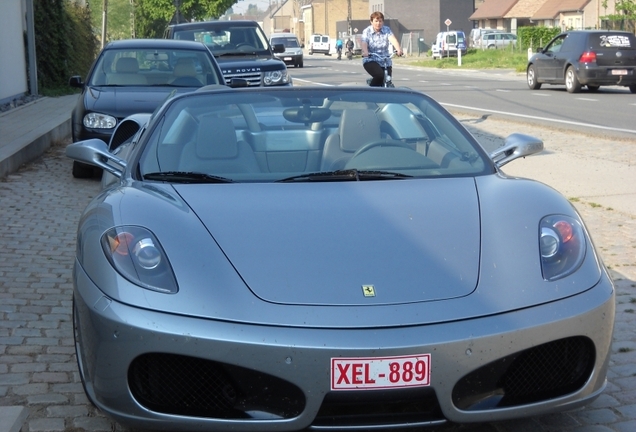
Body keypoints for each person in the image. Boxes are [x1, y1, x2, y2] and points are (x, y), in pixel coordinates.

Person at [360, 11, 404, 86]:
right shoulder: (367, 31)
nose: (378, 23)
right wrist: (366, 52)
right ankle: (371, 92)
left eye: (380, 21)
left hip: (385, 60)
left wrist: (398, 49)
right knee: (379, 75)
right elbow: (364, 42)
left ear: (383, 22)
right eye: (376, 21)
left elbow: (393, 39)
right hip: (371, 59)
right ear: (371, 22)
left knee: (388, 78)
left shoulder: (386, 30)